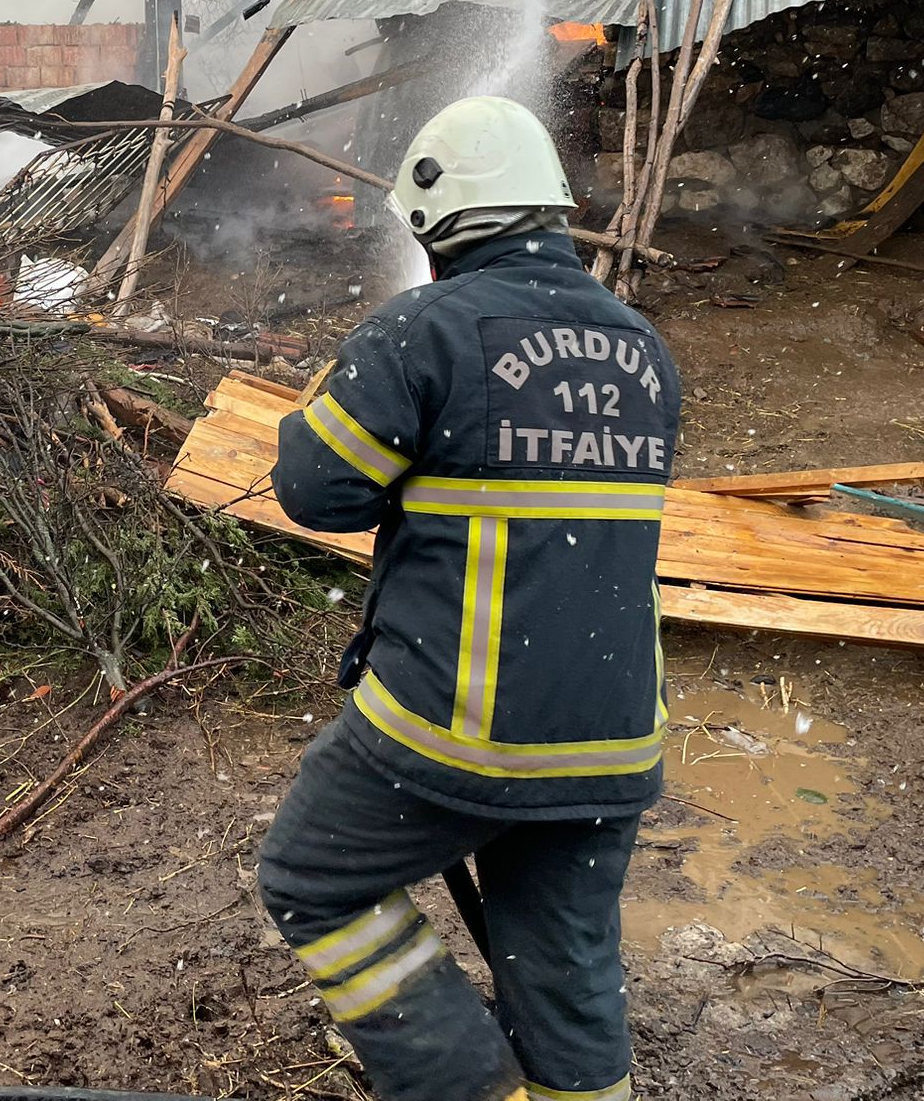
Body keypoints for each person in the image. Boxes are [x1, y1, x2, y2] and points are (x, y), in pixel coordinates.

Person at [257, 94, 681, 1101]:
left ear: (433, 226)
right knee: (561, 957)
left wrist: (333, 398)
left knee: (314, 878)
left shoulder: (423, 332)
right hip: (612, 732)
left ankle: (466, 1085)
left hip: (456, 728)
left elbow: (315, 492)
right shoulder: (642, 349)